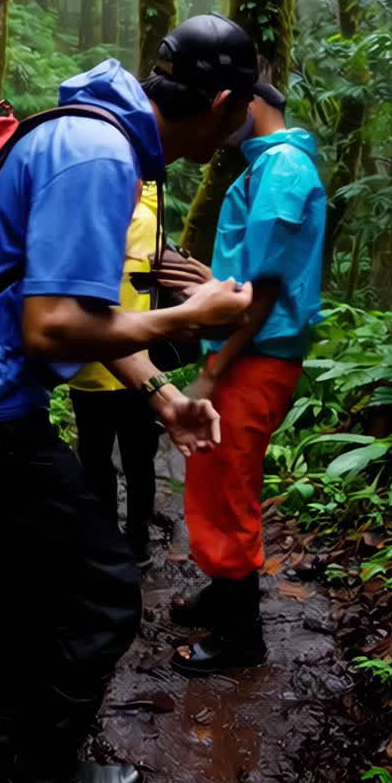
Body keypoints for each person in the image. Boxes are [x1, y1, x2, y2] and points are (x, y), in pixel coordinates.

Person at [0, 13, 259, 783]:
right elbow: (51, 326)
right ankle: (43, 777)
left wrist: (162, 395)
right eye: (236, 119)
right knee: (101, 589)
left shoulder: (92, 137)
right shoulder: (99, 155)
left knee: (32, 585)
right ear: (225, 103)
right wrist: (184, 319)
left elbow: (76, 310)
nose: (230, 138)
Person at [166, 80, 327, 679]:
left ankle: (242, 633)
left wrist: (211, 371)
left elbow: (266, 290)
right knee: (214, 474)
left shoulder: (282, 167)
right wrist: (205, 279)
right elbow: (254, 272)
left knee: (228, 485)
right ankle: (223, 594)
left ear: (249, 104)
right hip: (249, 346)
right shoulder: (269, 164)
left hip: (253, 355)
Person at [69, 182, 161, 570]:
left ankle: (113, 540)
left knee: (98, 458)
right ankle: (134, 540)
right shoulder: (147, 220)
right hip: (133, 367)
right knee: (135, 459)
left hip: (96, 368)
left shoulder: (83, 221)